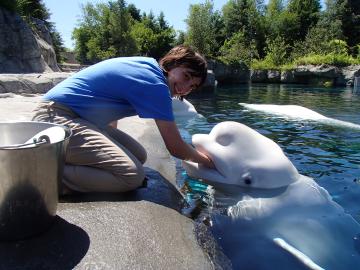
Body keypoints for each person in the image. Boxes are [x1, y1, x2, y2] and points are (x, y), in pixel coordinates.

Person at [32, 45, 214, 194]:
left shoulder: (148, 67)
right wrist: (209, 161)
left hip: (72, 117)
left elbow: (109, 109)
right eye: (186, 76)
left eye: (192, 86)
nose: (184, 88)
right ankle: (43, 176)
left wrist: (109, 143)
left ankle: (62, 160)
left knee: (139, 156)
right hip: (55, 119)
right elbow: (175, 146)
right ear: (172, 64)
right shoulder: (156, 85)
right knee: (131, 176)